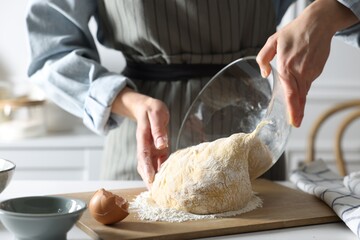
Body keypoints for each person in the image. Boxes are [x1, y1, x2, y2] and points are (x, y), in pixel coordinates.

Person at [25, 0, 359, 188]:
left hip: (254, 147)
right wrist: (129, 102)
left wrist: (329, 11)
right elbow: (49, 53)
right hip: (142, 147)